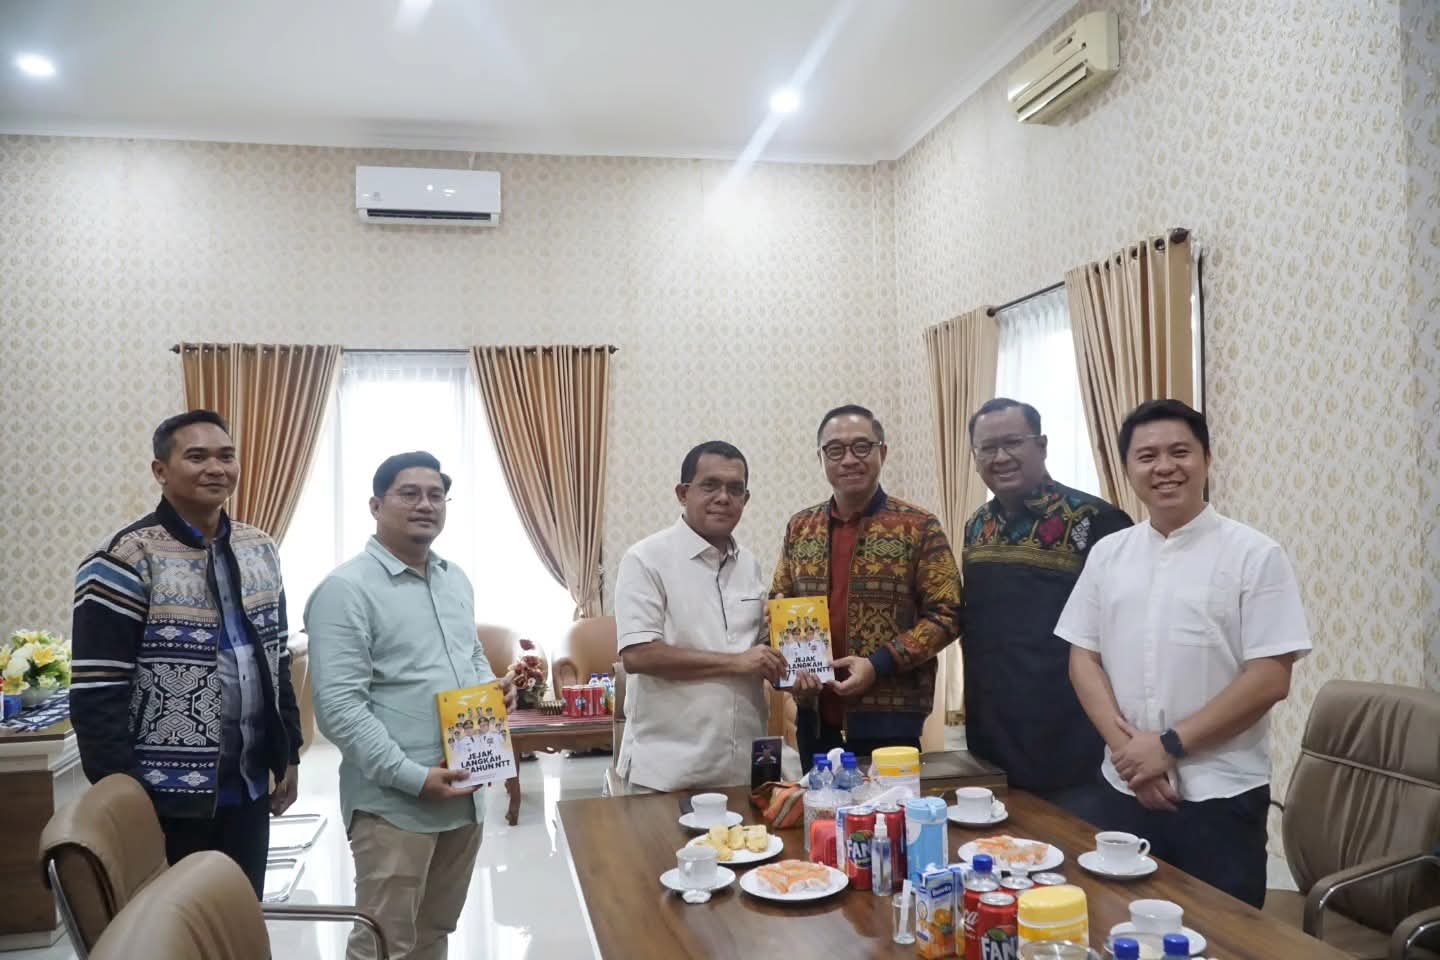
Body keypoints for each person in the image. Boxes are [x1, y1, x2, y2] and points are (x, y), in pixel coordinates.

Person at [1057, 400, 1311, 907]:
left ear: (1207, 459)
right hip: (1124, 787)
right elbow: (1083, 657)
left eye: (1180, 452)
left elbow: (1269, 677)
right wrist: (1132, 757)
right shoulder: (1109, 554)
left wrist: (1168, 747)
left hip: (1221, 793)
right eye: (1147, 456)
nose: (1164, 467)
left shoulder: (1255, 554)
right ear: (1127, 468)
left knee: (1223, 932)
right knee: (1120, 921)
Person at [71, 410, 301, 897]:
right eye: (197, 457)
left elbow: (278, 661)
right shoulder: (124, 558)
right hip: (164, 799)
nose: (215, 468)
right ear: (161, 470)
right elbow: (97, 694)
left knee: (240, 916)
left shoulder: (260, 548)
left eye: (226, 456)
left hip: (249, 789)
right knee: (172, 925)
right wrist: (126, 804)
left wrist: (289, 754)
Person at [307, 451, 512, 960]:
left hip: (464, 789)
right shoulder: (345, 590)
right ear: (376, 505)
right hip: (394, 803)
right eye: (409, 493)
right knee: (384, 942)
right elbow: (339, 708)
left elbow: (469, 656)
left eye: (436, 495)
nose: (426, 504)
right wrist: (413, 777)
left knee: (435, 929)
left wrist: (491, 690)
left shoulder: (453, 578)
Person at [961, 398, 1132, 817]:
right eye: (987, 448)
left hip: (1070, 738)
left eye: (1013, 443)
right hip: (990, 732)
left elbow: (1125, 635)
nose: (1001, 457)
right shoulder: (977, 525)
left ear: (1041, 445)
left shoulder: (1098, 521)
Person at [772, 405, 962, 761]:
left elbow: (948, 613)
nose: (849, 460)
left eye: (861, 447)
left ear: (882, 453)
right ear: (821, 458)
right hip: (815, 718)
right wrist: (790, 668)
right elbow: (779, 601)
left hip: (892, 722)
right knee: (819, 799)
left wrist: (878, 663)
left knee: (892, 800)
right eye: (835, 450)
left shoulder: (918, 526)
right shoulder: (800, 527)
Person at [616, 441, 786, 791]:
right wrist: (736, 662)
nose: (723, 498)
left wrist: (792, 653)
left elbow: (756, 651)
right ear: (683, 493)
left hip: (743, 768)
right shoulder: (645, 559)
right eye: (710, 485)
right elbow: (638, 655)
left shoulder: (749, 564)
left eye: (735, 489)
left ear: (745, 499)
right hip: (668, 772)